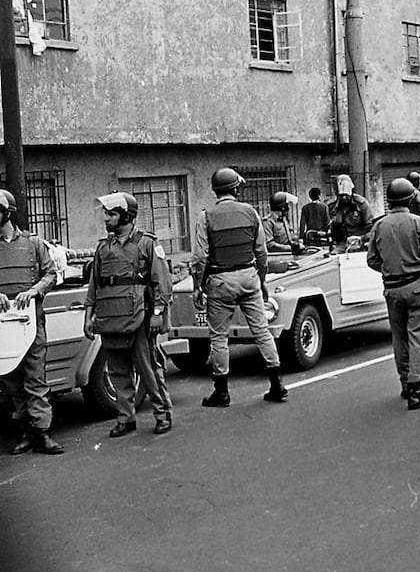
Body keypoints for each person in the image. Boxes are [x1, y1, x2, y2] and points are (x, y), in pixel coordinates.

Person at [191, 168, 288, 408]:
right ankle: (277, 385)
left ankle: (221, 393)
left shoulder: (206, 217)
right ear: (235, 189)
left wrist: (197, 286)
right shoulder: (251, 212)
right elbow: (261, 252)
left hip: (220, 281)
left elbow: (200, 257)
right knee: (262, 331)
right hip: (248, 276)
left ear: (216, 191)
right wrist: (261, 281)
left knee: (219, 337)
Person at [83, 192, 174, 437]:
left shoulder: (147, 243)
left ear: (126, 216)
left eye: (111, 214)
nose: (106, 218)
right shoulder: (103, 247)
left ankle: (162, 414)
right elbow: (94, 285)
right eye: (106, 214)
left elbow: (162, 281)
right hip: (110, 318)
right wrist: (89, 316)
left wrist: (157, 312)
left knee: (148, 369)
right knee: (117, 371)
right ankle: (126, 418)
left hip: (139, 317)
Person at [367, 179, 420, 411]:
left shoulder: (379, 226)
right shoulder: (419, 223)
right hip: (417, 286)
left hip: (392, 288)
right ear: (410, 200)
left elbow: (371, 259)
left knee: (399, 337)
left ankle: (405, 383)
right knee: (418, 336)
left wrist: (390, 268)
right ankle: (415, 389)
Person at [0, 189, 63, 455]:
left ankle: (41, 433)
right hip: (4, 326)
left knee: (35, 379)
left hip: (31, 322)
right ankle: (25, 431)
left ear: (8, 212)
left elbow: (51, 274)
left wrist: (35, 290)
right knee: (12, 380)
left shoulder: (34, 243)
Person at [328, 174, 374, 252]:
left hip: (360, 243)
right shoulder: (333, 207)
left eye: (346, 195)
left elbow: (371, 229)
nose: (344, 198)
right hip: (342, 244)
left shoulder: (362, 204)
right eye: (341, 195)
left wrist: (361, 238)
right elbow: (330, 229)